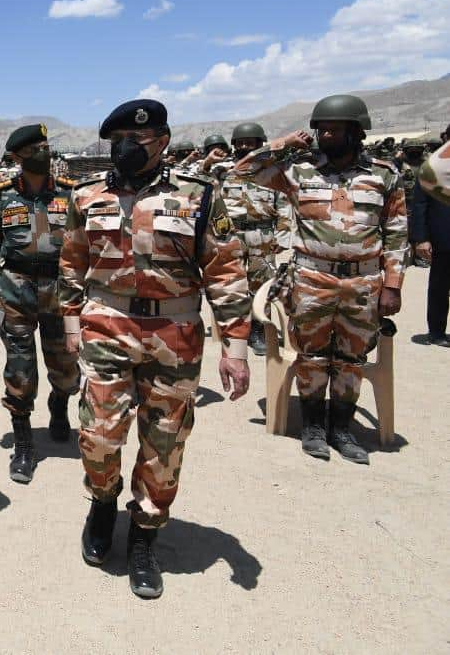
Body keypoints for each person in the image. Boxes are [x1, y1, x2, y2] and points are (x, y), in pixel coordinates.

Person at [61, 99, 251, 599]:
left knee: (164, 441)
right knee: (99, 432)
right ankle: (102, 506)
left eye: (138, 139)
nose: (126, 148)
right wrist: (68, 320)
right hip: (106, 323)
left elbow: (226, 271)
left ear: (162, 141)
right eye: (118, 139)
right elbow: (71, 262)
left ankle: (145, 536)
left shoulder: (199, 196)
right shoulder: (86, 195)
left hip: (176, 331)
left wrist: (236, 347)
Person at [235, 94, 407, 465]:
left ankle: (341, 428)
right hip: (311, 279)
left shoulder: (383, 175)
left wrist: (392, 284)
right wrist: (282, 144)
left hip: (363, 283)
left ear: (357, 132)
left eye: (335, 129)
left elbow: (396, 233)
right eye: (321, 129)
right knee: (311, 354)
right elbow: (243, 170)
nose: (326, 135)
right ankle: (313, 427)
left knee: (352, 357)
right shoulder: (299, 171)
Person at [0, 124, 80, 483]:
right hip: (16, 287)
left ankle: (59, 405)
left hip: (60, 289)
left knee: (64, 361)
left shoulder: (70, 194)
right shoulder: (2, 196)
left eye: (47, 146)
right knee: (20, 366)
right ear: (18, 156)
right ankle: (23, 445)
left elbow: (83, 245)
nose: (45, 152)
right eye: (37, 148)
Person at [208, 122, 284, 355]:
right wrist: (208, 161)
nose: (243, 146)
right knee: (232, 283)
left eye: (249, 143)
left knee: (262, 286)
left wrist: (282, 235)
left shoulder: (273, 170)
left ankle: (259, 329)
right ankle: (235, 329)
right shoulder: (223, 170)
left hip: (262, 235)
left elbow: (284, 203)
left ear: (260, 144)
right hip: (231, 233)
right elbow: (197, 181)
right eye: (240, 143)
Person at [411, 163, 450, 346]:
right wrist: (422, 238)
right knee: (439, 289)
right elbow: (419, 205)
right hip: (443, 239)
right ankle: (436, 332)